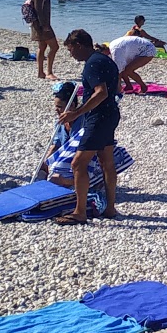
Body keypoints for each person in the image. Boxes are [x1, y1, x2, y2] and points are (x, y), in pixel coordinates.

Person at [53, 29, 122, 223]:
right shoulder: (105, 59)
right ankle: (110, 208)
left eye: (70, 50)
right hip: (111, 114)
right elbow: (117, 87)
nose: (70, 54)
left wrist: (77, 112)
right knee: (106, 162)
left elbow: (100, 92)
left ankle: (79, 212)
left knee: (78, 163)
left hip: (99, 117)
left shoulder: (92, 64)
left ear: (78, 45)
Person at [34, 81, 81, 180]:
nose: (56, 110)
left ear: (71, 106)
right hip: (67, 158)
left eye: (59, 107)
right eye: (56, 106)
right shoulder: (60, 123)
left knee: (56, 179)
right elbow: (56, 145)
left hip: (80, 160)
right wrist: (45, 163)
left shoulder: (83, 122)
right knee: (41, 170)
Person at [26, 0, 57, 80]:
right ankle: (49, 72)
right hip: (42, 25)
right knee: (54, 47)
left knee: (42, 46)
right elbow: (38, 9)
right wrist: (44, 25)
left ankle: (41, 72)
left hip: (37, 24)